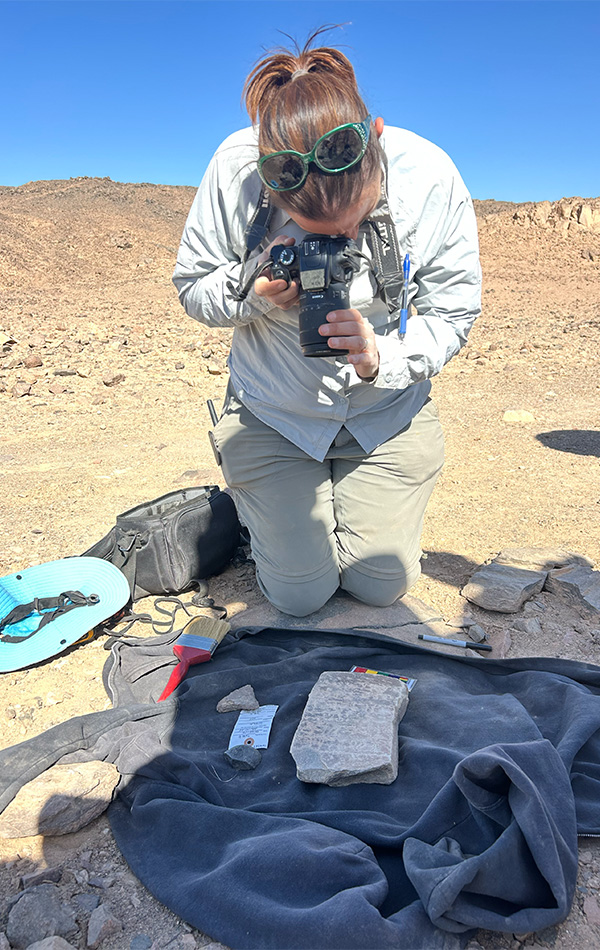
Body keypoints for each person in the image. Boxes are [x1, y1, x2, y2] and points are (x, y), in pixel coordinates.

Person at [173, 29, 481, 617]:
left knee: (379, 586)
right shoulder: (235, 165)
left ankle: (314, 514)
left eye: (354, 220)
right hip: (275, 412)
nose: (338, 242)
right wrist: (256, 294)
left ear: (377, 140)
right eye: (312, 229)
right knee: (301, 596)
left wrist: (382, 356)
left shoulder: (431, 175)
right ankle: (278, 523)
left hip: (385, 415)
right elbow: (193, 288)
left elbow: (453, 310)